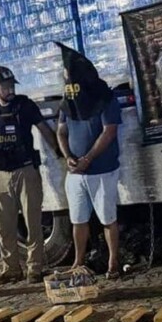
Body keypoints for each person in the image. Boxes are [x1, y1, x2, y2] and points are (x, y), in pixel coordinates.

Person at [0, 66, 60, 284]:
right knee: (4, 226)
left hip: (25, 171)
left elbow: (44, 129)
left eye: (12, 85)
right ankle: (11, 269)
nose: (10, 90)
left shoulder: (25, 105)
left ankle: (35, 268)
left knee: (33, 222)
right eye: (5, 86)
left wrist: (60, 152)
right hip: (0, 174)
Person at [54, 42, 124, 279]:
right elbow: (61, 131)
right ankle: (78, 261)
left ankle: (113, 263)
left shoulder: (104, 97)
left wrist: (88, 158)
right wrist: (68, 157)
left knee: (108, 218)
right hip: (76, 172)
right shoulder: (68, 100)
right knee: (78, 219)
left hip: (102, 170)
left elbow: (109, 131)